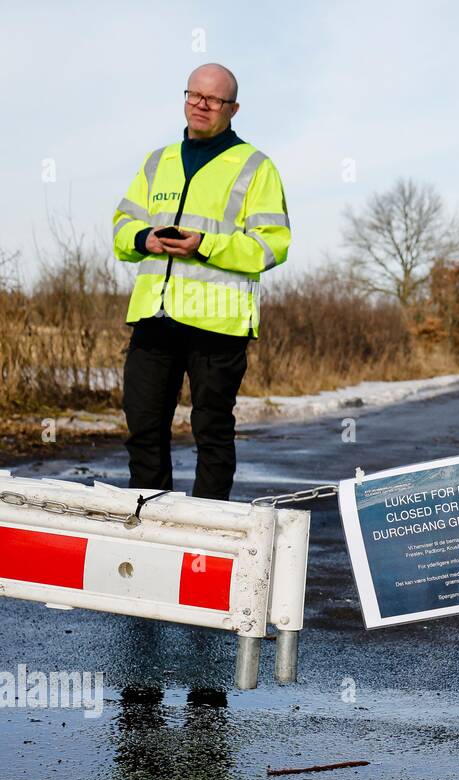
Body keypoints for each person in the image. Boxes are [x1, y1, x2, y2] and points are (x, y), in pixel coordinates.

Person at [112, 63, 290, 500]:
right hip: (155, 318)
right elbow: (122, 226)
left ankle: (209, 533)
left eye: (213, 99)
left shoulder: (255, 167)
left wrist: (205, 244)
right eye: (194, 95)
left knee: (211, 433)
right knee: (144, 428)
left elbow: (272, 246)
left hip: (218, 326)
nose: (201, 105)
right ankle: (153, 525)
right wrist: (144, 238)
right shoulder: (158, 161)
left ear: (234, 108)